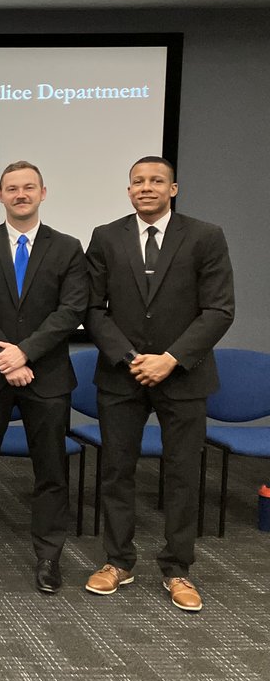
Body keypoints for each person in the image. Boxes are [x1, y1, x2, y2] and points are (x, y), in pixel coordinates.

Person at [84, 155, 234, 612]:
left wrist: (170, 359)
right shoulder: (107, 237)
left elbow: (219, 310)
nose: (145, 188)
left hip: (183, 375)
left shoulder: (205, 236)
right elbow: (92, 309)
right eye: (137, 182)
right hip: (122, 375)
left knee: (184, 475)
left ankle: (177, 569)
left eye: (156, 181)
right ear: (128, 190)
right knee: (116, 471)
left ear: (173, 189)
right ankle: (117, 561)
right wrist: (132, 358)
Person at [0, 161, 87, 593]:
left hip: (46, 374)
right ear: (0, 196)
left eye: (28, 187)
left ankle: (49, 555)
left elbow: (70, 311)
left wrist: (25, 352)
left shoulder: (68, 248)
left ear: (43, 193)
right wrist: (6, 357)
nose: (20, 194)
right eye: (11, 188)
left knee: (51, 472)